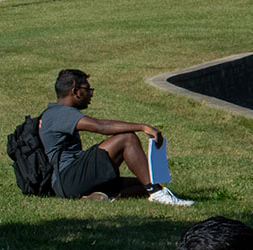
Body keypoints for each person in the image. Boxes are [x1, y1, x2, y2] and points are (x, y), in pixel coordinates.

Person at [38, 69, 193, 205]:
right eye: (87, 89)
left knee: (143, 183)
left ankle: (102, 197)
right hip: (67, 179)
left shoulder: (55, 113)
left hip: (69, 182)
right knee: (127, 138)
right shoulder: (60, 113)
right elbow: (101, 126)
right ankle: (156, 193)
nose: (91, 94)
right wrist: (142, 127)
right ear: (75, 91)